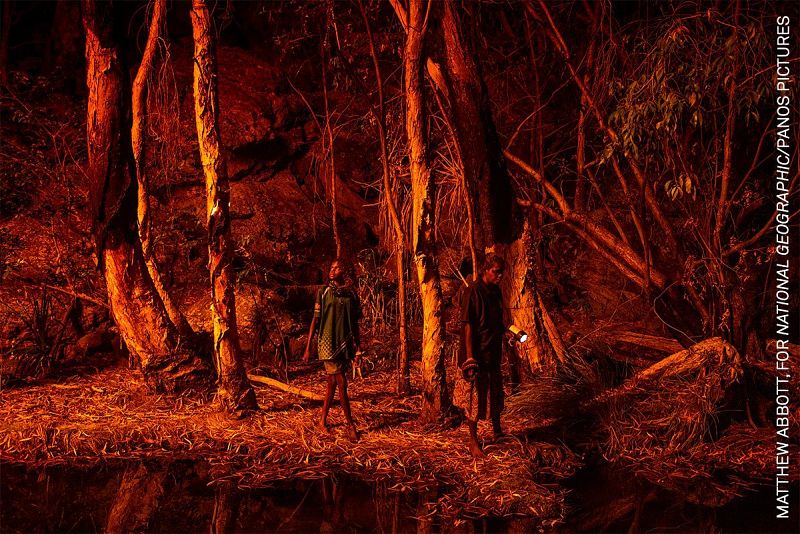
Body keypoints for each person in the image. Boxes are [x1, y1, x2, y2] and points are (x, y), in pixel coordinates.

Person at [454, 255, 507, 457]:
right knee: (474, 399)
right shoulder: (473, 291)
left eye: (501, 272)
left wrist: (509, 333)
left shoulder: (496, 292)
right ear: (486, 269)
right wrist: (470, 357)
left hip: (492, 350)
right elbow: (467, 325)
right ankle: (473, 440)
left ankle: (498, 431)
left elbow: (498, 320)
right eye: (496, 272)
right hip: (477, 353)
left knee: (495, 391)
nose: (499, 276)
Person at [303, 259, 362, 442]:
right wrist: (308, 347)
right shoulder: (323, 292)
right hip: (327, 344)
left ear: (344, 271)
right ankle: (350, 425)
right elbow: (315, 320)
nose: (332, 270)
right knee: (342, 383)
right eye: (331, 268)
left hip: (344, 344)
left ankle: (322, 421)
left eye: (337, 268)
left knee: (332, 384)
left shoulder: (351, 294)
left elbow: (355, 323)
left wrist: (358, 347)